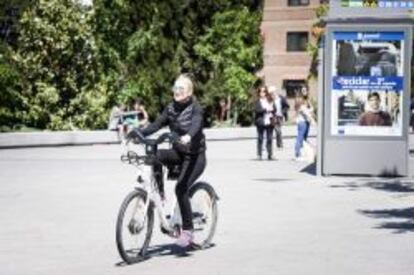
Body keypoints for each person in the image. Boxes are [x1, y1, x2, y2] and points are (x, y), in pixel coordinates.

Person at [127, 74, 206, 248]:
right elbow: (156, 125)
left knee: (180, 188)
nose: (177, 92)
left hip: (195, 157)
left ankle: (188, 231)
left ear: (189, 92)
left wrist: (188, 136)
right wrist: (139, 133)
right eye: (175, 88)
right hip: (178, 152)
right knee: (155, 157)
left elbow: (196, 125)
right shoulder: (170, 108)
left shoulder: (195, 109)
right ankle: (160, 195)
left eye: (181, 89)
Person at [255, 86, 276, 160]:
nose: (262, 93)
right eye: (261, 91)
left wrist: (272, 109)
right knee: (260, 138)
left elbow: (275, 109)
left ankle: (270, 154)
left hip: (269, 121)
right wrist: (266, 109)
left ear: (266, 92)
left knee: (269, 139)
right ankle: (259, 155)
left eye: (264, 91)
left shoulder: (270, 100)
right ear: (259, 93)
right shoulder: (258, 101)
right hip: (261, 121)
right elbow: (257, 110)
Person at [294, 93, 315, 161]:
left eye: (307, 98)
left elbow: (311, 110)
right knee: (300, 138)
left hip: (305, 122)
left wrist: (309, 104)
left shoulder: (304, 106)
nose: (306, 100)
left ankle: (302, 153)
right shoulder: (301, 106)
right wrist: (313, 121)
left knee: (304, 138)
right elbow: (307, 114)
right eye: (305, 99)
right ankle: (298, 154)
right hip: (302, 123)